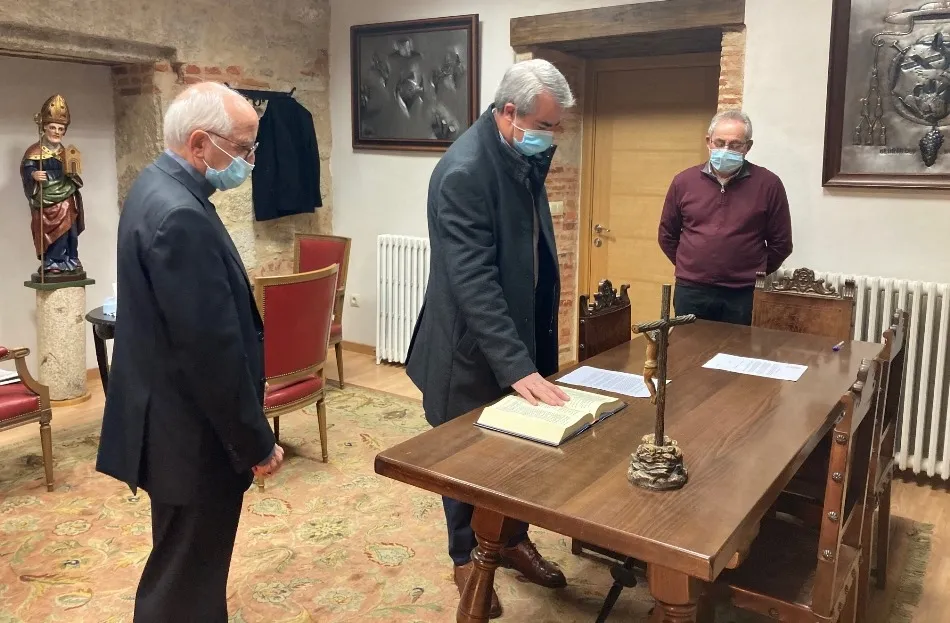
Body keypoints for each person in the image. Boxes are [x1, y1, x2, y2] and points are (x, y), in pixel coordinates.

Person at [96, 82, 283, 623]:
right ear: (201, 144)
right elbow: (212, 353)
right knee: (185, 578)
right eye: (243, 148)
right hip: (194, 434)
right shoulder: (180, 214)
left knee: (185, 565)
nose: (249, 161)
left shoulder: (154, 185)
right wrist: (255, 441)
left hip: (169, 418)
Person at [405, 59, 574, 618]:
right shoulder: (464, 171)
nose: (550, 136)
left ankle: (512, 540)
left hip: (519, 336)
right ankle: (466, 558)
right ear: (508, 113)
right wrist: (516, 366)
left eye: (554, 126)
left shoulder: (520, 154)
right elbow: (473, 281)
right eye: (544, 126)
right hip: (469, 350)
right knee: (466, 461)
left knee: (519, 450)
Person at [658, 110, 793, 325]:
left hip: (743, 294)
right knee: (688, 345)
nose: (726, 150)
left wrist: (753, 271)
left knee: (738, 346)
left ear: (748, 147)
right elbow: (667, 235)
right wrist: (690, 265)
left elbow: (781, 243)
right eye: (719, 143)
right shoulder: (683, 182)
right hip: (692, 290)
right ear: (708, 142)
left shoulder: (769, 184)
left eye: (735, 145)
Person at [20, 94, 85, 275]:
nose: (56, 132)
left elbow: (73, 174)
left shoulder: (66, 152)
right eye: (53, 127)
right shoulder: (35, 151)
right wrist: (33, 174)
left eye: (60, 128)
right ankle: (52, 261)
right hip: (46, 199)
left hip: (67, 196)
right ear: (44, 128)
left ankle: (70, 258)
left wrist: (72, 174)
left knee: (69, 230)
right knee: (51, 232)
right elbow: (26, 170)